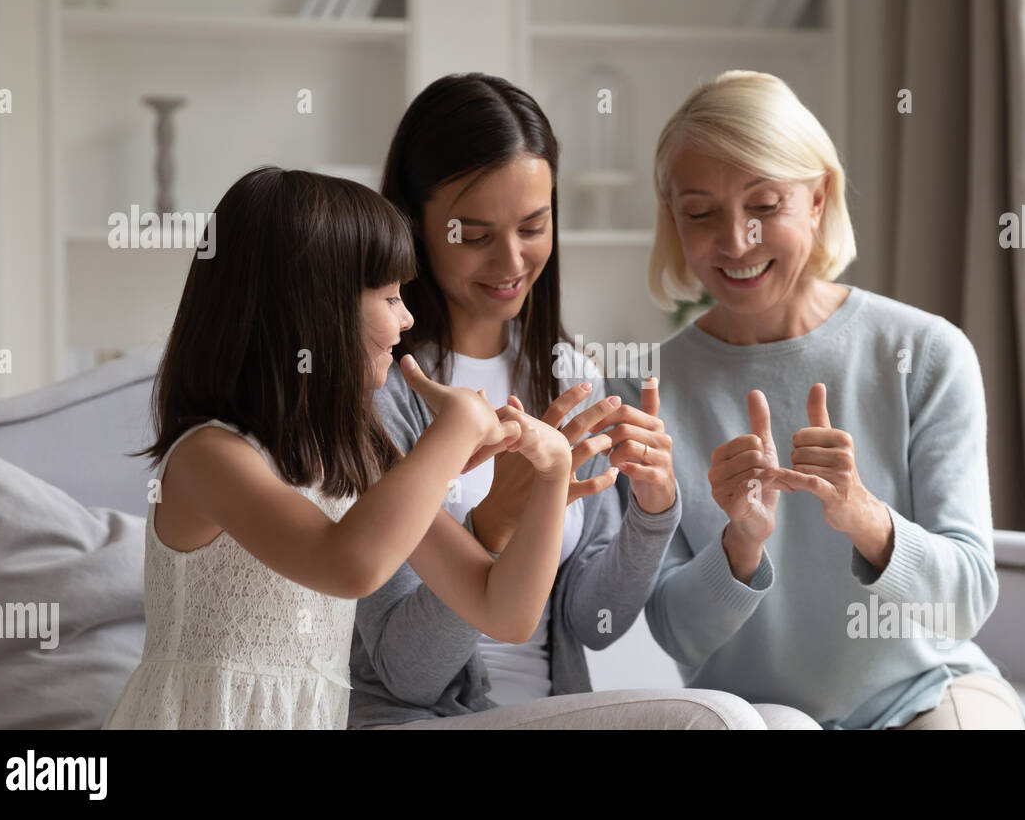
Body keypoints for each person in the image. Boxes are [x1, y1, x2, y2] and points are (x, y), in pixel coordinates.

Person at [349, 73, 819, 730]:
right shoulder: (380, 397)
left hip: (547, 709)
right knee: (719, 721)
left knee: (791, 725)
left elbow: (590, 622)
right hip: (416, 718)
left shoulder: (568, 377)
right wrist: (494, 526)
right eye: (476, 235)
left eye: (533, 226)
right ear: (414, 226)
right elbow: (406, 672)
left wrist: (651, 512)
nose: (511, 259)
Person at [612, 70, 1025, 729]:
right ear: (673, 217)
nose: (736, 239)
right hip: (758, 717)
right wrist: (740, 544)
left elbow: (967, 599)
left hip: (927, 691)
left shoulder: (926, 353)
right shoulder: (644, 392)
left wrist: (866, 517)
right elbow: (674, 631)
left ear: (817, 198)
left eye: (765, 204)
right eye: (700, 212)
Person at [103, 166, 572, 729]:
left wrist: (553, 475)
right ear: (313, 310)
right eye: (391, 297)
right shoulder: (209, 458)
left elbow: (505, 611)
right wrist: (453, 433)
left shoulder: (360, 457)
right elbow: (349, 564)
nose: (408, 318)